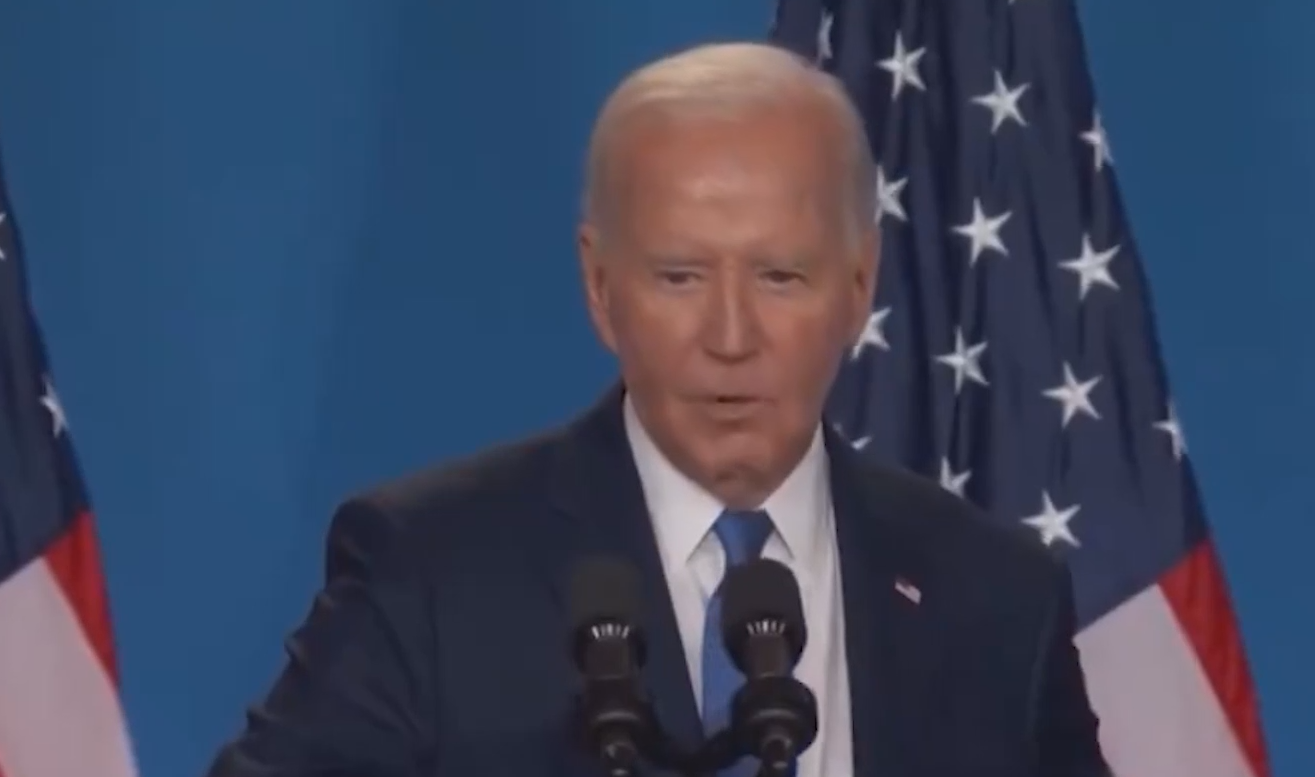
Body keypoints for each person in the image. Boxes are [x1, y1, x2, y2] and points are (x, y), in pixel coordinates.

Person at [205, 41, 1109, 777]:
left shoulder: (998, 598)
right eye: (679, 276)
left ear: (858, 283)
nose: (730, 335)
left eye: (779, 276)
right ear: (600, 287)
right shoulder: (431, 573)